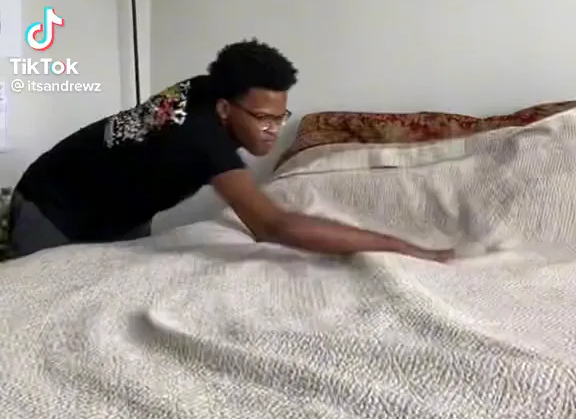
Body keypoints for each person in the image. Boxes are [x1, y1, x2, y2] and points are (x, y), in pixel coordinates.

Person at [8, 39, 453, 261]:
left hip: (119, 209)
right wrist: (402, 247)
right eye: (262, 118)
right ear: (224, 108)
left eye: (280, 116)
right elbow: (272, 226)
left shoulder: (211, 88)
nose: (272, 131)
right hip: (52, 209)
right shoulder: (201, 137)